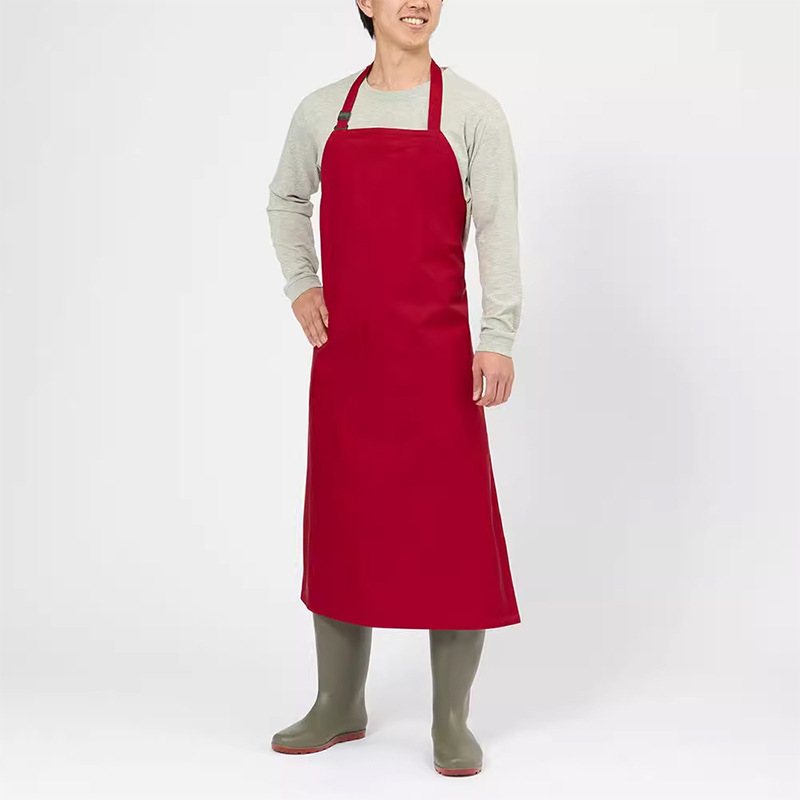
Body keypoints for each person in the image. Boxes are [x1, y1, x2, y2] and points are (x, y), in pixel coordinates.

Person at [266, 0, 523, 777]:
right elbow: (285, 199)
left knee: (452, 534)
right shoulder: (323, 111)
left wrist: (497, 335)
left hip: (440, 363)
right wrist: (302, 285)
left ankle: (451, 719)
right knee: (343, 524)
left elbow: (497, 228)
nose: (417, 2)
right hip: (349, 360)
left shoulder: (472, 111)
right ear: (365, 3)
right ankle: (338, 702)